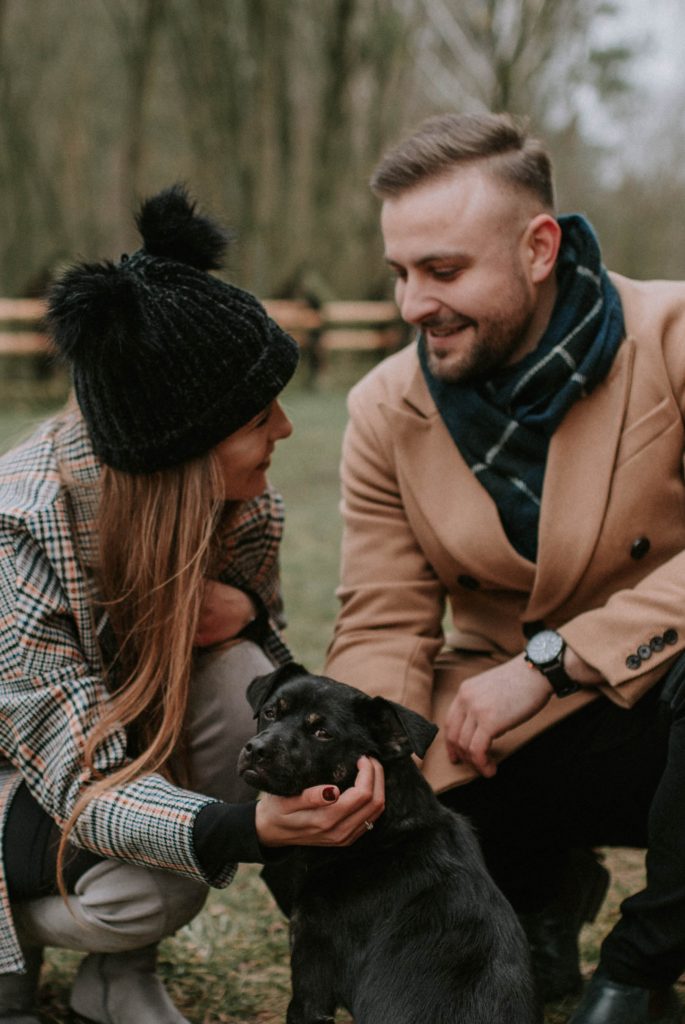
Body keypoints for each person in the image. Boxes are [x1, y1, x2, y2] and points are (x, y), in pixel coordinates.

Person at [324, 112, 685, 1024]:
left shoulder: (673, 337)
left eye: (442, 271)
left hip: (659, 708)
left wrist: (550, 662)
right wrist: (358, 767)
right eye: (400, 273)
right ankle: (534, 900)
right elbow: (380, 620)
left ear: (536, 247)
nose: (412, 305)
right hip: (502, 738)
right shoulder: (381, 408)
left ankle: (641, 964)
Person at [0, 185, 384, 1024]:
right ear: (180, 450)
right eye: (257, 414)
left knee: (243, 675)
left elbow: (252, 679)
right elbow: (75, 782)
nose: (284, 428)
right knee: (159, 881)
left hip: (113, 753)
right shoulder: (20, 528)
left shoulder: (245, 507)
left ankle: (117, 974)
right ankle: (13, 940)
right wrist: (249, 832)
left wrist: (245, 613)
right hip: (17, 783)